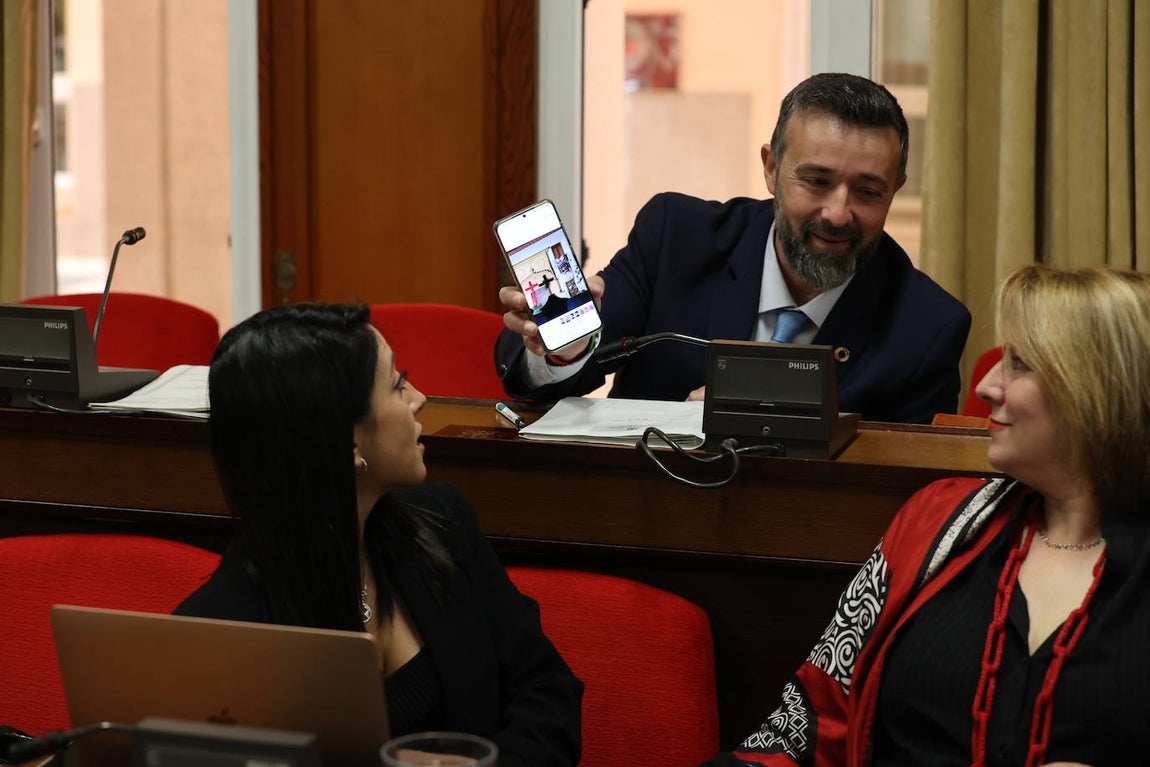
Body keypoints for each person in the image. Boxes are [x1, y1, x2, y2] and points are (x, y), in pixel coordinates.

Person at [705, 264, 1150, 766]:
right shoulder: (935, 519)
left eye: (1021, 363)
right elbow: (807, 727)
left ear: (1104, 391)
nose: (986, 386)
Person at [175, 303, 582, 767]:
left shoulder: (443, 523)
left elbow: (546, 689)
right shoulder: (222, 629)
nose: (419, 398)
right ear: (348, 444)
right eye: (396, 383)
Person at [494, 72, 971, 424]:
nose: (838, 213)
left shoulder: (925, 327)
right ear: (770, 168)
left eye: (868, 192)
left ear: (896, 188)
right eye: (817, 181)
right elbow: (556, 380)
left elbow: (911, 506)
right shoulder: (677, 238)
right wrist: (559, 354)